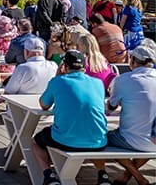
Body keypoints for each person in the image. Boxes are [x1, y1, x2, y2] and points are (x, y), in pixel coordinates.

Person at [31, 50, 110, 185]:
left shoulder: (57, 81)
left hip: (65, 139)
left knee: (35, 142)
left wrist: (57, 77)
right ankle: (103, 174)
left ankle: (48, 175)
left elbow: (44, 105)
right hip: (98, 140)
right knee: (93, 134)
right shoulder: (98, 83)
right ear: (84, 68)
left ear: (64, 66)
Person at [105, 45, 156, 185]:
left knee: (101, 139)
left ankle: (135, 176)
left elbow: (110, 107)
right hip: (153, 140)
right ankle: (128, 176)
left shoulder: (123, 79)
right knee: (147, 138)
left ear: (133, 60)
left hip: (131, 139)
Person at [0, 37, 57, 117]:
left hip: (22, 111)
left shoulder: (23, 68)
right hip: (46, 110)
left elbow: (9, 92)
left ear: (26, 51)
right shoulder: (53, 66)